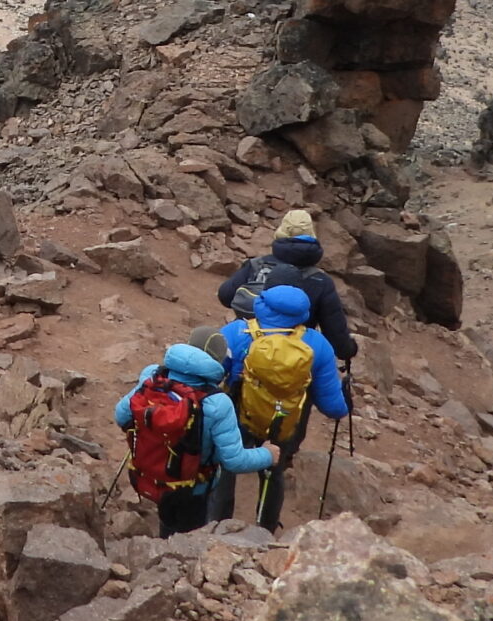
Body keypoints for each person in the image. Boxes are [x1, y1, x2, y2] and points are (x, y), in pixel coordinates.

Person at [209, 283, 350, 531]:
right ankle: (265, 529)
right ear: (304, 313)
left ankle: (216, 525)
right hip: (284, 422)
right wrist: (344, 400)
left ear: (261, 304)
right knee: (273, 472)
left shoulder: (236, 332)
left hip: (238, 415)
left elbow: (211, 377)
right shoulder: (316, 344)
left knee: (226, 465)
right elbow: (333, 407)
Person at [113, 342, 275, 536]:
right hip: (192, 490)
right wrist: (268, 454)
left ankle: (163, 546)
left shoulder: (153, 377)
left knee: (167, 519)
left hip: (149, 474)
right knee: (187, 536)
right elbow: (234, 461)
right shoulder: (217, 403)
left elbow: (121, 416)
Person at [217, 209, 358, 363]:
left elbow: (225, 296)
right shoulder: (321, 281)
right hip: (293, 362)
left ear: (281, 233)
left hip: (248, 351)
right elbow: (336, 337)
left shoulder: (256, 265)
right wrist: (349, 349)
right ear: (312, 236)